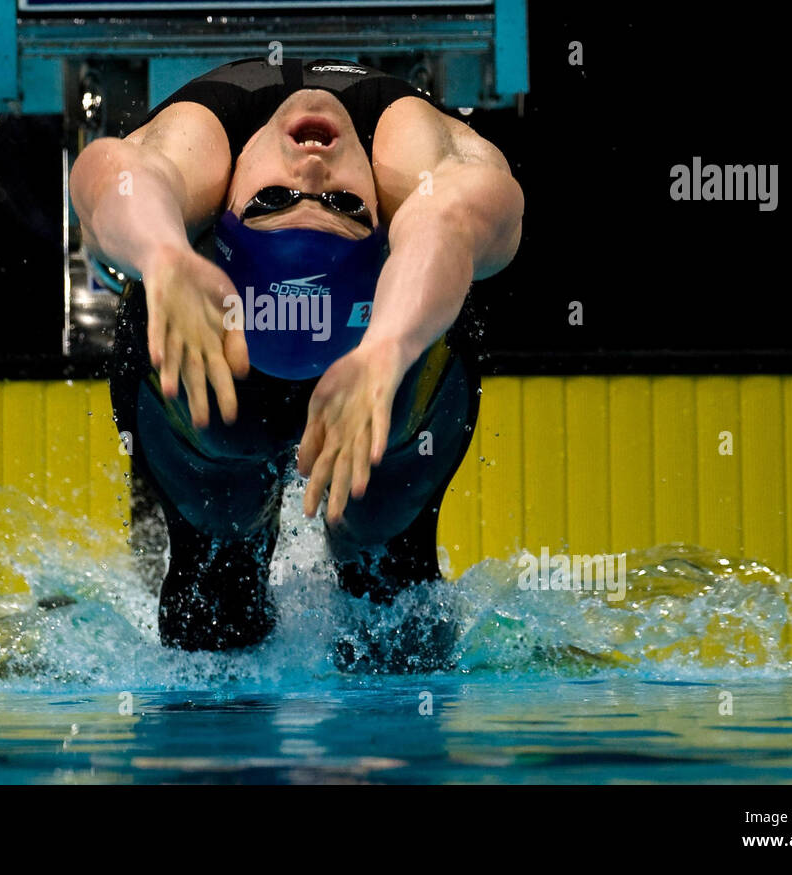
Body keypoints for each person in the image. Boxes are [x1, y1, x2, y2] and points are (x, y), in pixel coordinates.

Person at [70, 57, 523, 671]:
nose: (312, 167)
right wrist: (166, 255)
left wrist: (386, 350)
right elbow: (113, 182)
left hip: (387, 362)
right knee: (215, 614)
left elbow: (446, 227)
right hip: (218, 357)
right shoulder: (407, 148)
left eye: (335, 204)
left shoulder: (218, 140)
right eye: (339, 203)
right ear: (217, 215)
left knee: (392, 611)